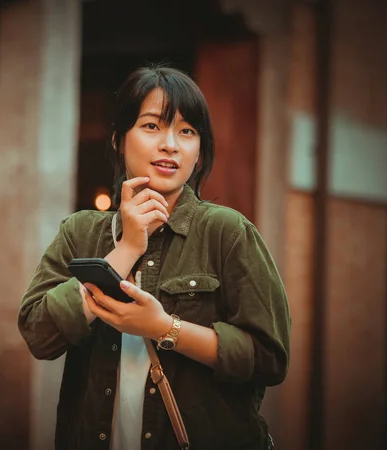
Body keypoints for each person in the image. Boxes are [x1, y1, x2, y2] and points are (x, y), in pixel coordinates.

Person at [18, 65, 290, 450]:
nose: (170, 145)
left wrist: (165, 328)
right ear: (119, 139)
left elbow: (269, 358)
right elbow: (39, 335)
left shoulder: (228, 233)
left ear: (199, 151)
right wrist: (127, 247)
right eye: (151, 126)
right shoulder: (80, 233)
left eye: (187, 131)